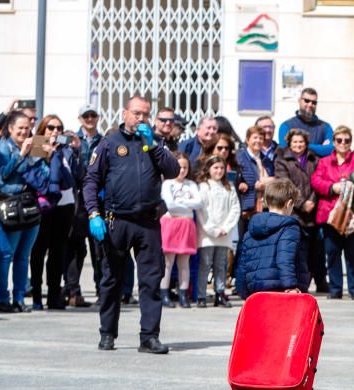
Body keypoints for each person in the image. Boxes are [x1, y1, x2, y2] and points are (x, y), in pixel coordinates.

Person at [82, 95, 179, 353]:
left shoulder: (154, 144)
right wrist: (93, 213)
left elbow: (172, 171)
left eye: (146, 114)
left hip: (147, 222)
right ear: (124, 113)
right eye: (137, 113)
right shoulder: (109, 143)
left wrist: (153, 146)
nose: (141, 118)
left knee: (150, 280)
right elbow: (91, 181)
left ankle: (149, 337)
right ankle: (107, 333)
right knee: (111, 279)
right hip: (117, 221)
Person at [311, 126, 354, 300]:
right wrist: (332, 187)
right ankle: (335, 289)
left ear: (351, 142)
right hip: (330, 214)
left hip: (352, 213)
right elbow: (315, 181)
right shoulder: (324, 162)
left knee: (353, 253)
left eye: (346, 140)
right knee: (332, 252)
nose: (343, 144)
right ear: (334, 142)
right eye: (339, 140)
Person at [28, 115, 78, 310]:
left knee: (58, 252)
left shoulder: (66, 151)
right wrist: (49, 155)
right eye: (50, 127)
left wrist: (76, 151)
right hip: (44, 206)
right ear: (43, 129)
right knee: (39, 251)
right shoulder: (37, 147)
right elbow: (38, 176)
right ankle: (37, 295)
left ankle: (54, 295)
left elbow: (75, 177)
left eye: (59, 128)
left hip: (64, 205)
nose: (55, 131)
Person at [0, 112, 47, 312]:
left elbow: (43, 176)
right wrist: (21, 155)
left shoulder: (34, 145)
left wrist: (46, 156)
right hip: (9, 207)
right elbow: (2, 177)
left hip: (30, 207)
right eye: (20, 127)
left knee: (23, 255)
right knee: (6, 254)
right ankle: (2, 298)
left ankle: (19, 298)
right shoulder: (2, 148)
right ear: (10, 128)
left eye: (27, 128)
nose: (24, 131)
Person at [235, 178, 309, 297]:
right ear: (289, 203)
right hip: (281, 290)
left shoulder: (250, 230)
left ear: (266, 202)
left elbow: (242, 264)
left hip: (256, 292)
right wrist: (290, 286)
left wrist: (243, 292)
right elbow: (285, 258)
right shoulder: (289, 227)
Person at [273, 128, 325, 293]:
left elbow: (318, 181)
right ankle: (296, 285)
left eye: (301, 142)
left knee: (313, 252)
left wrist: (312, 201)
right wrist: (302, 203)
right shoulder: (282, 161)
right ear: (289, 143)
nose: (298, 145)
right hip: (294, 212)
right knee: (296, 251)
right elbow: (286, 184)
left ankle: (311, 282)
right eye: (295, 141)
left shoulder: (313, 159)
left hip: (313, 212)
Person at [63, 105, 103, 308]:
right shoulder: (71, 140)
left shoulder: (104, 141)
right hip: (78, 201)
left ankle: (102, 290)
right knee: (76, 248)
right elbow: (70, 170)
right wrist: (76, 150)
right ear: (79, 118)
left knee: (99, 248)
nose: (89, 119)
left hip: (98, 199)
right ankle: (72, 290)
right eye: (86, 116)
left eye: (92, 115)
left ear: (98, 117)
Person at [194, 155, 239, 308]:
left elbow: (235, 208)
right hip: (207, 233)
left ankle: (220, 293)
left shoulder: (229, 186)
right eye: (215, 168)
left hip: (224, 234)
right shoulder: (204, 186)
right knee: (205, 264)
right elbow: (202, 211)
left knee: (221, 264)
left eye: (221, 168)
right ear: (208, 169)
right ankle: (200, 295)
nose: (219, 171)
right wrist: (212, 229)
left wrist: (226, 228)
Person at [159, 152, 201, 308]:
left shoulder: (191, 185)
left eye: (185, 167)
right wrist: (187, 203)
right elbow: (170, 205)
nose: (182, 170)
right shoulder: (167, 184)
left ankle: (184, 294)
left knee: (184, 262)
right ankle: (164, 293)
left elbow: (198, 203)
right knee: (168, 262)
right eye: (179, 166)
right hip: (170, 223)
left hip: (186, 224)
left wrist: (181, 203)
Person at [278, 88, 334, 158]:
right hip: (294, 168)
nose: (310, 104)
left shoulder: (325, 127)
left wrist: (297, 145)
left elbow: (331, 149)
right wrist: (320, 147)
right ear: (299, 101)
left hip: (318, 168)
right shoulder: (286, 126)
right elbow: (285, 150)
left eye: (314, 102)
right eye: (307, 101)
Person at [236, 126, 274, 224]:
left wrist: (267, 183)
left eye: (261, 138)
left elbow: (273, 178)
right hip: (246, 207)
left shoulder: (267, 160)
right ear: (247, 140)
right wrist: (250, 185)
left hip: (265, 206)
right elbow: (236, 179)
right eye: (255, 138)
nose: (258, 141)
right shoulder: (239, 157)